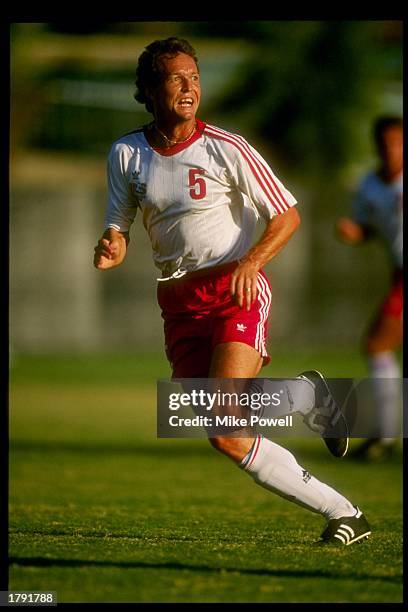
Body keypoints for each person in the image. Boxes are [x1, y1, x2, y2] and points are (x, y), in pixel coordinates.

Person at [93, 37, 370, 545]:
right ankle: (312, 407)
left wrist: (252, 262)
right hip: (177, 304)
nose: (189, 87)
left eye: (195, 77)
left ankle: (346, 515)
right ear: (149, 89)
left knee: (223, 413)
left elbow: (287, 215)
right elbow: (120, 221)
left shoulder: (227, 147)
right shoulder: (126, 152)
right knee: (226, 434)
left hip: (233, 289)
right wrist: (113, 243)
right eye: (176, 78)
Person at [336, 116, 403, 461]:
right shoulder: (370, 185)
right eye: (384, 143)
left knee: (378, 344)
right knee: (378, 346)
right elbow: (369, 229)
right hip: (399, 275)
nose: (390, 150)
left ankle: (387, 435)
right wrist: (355, 233)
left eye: (396, 142)